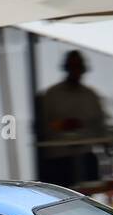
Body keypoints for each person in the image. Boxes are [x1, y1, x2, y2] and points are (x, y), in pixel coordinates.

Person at [37, 50, 108, 186]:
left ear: (83, 69)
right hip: (59, 158)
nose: (75, 71)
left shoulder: (90, 95)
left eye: (78, 67)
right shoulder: (52, 94)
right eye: (72, 67)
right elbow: (44, 126)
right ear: (66, 68)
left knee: (89, 197)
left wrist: (106, 148)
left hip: (86, 155)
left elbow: (101, 126)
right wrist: (62, 125)